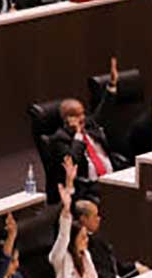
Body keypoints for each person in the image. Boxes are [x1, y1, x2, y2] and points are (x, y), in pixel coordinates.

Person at [48, 68, 126, 199]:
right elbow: (72, 162)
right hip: (88, 186)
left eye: (83, 113)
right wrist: (78, 135)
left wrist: (112, 84)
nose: (83, 118)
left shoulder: (89, 124)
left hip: (111, 176)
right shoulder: (59, 139)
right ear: (67, 119)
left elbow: (103, 112)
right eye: (77, 115)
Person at [45, 173, 99, 278]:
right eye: (83, 237)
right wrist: (66, 208)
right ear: (73, 240)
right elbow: (63, 235)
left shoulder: (86, 255)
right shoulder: (60, 258)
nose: (87, 240)